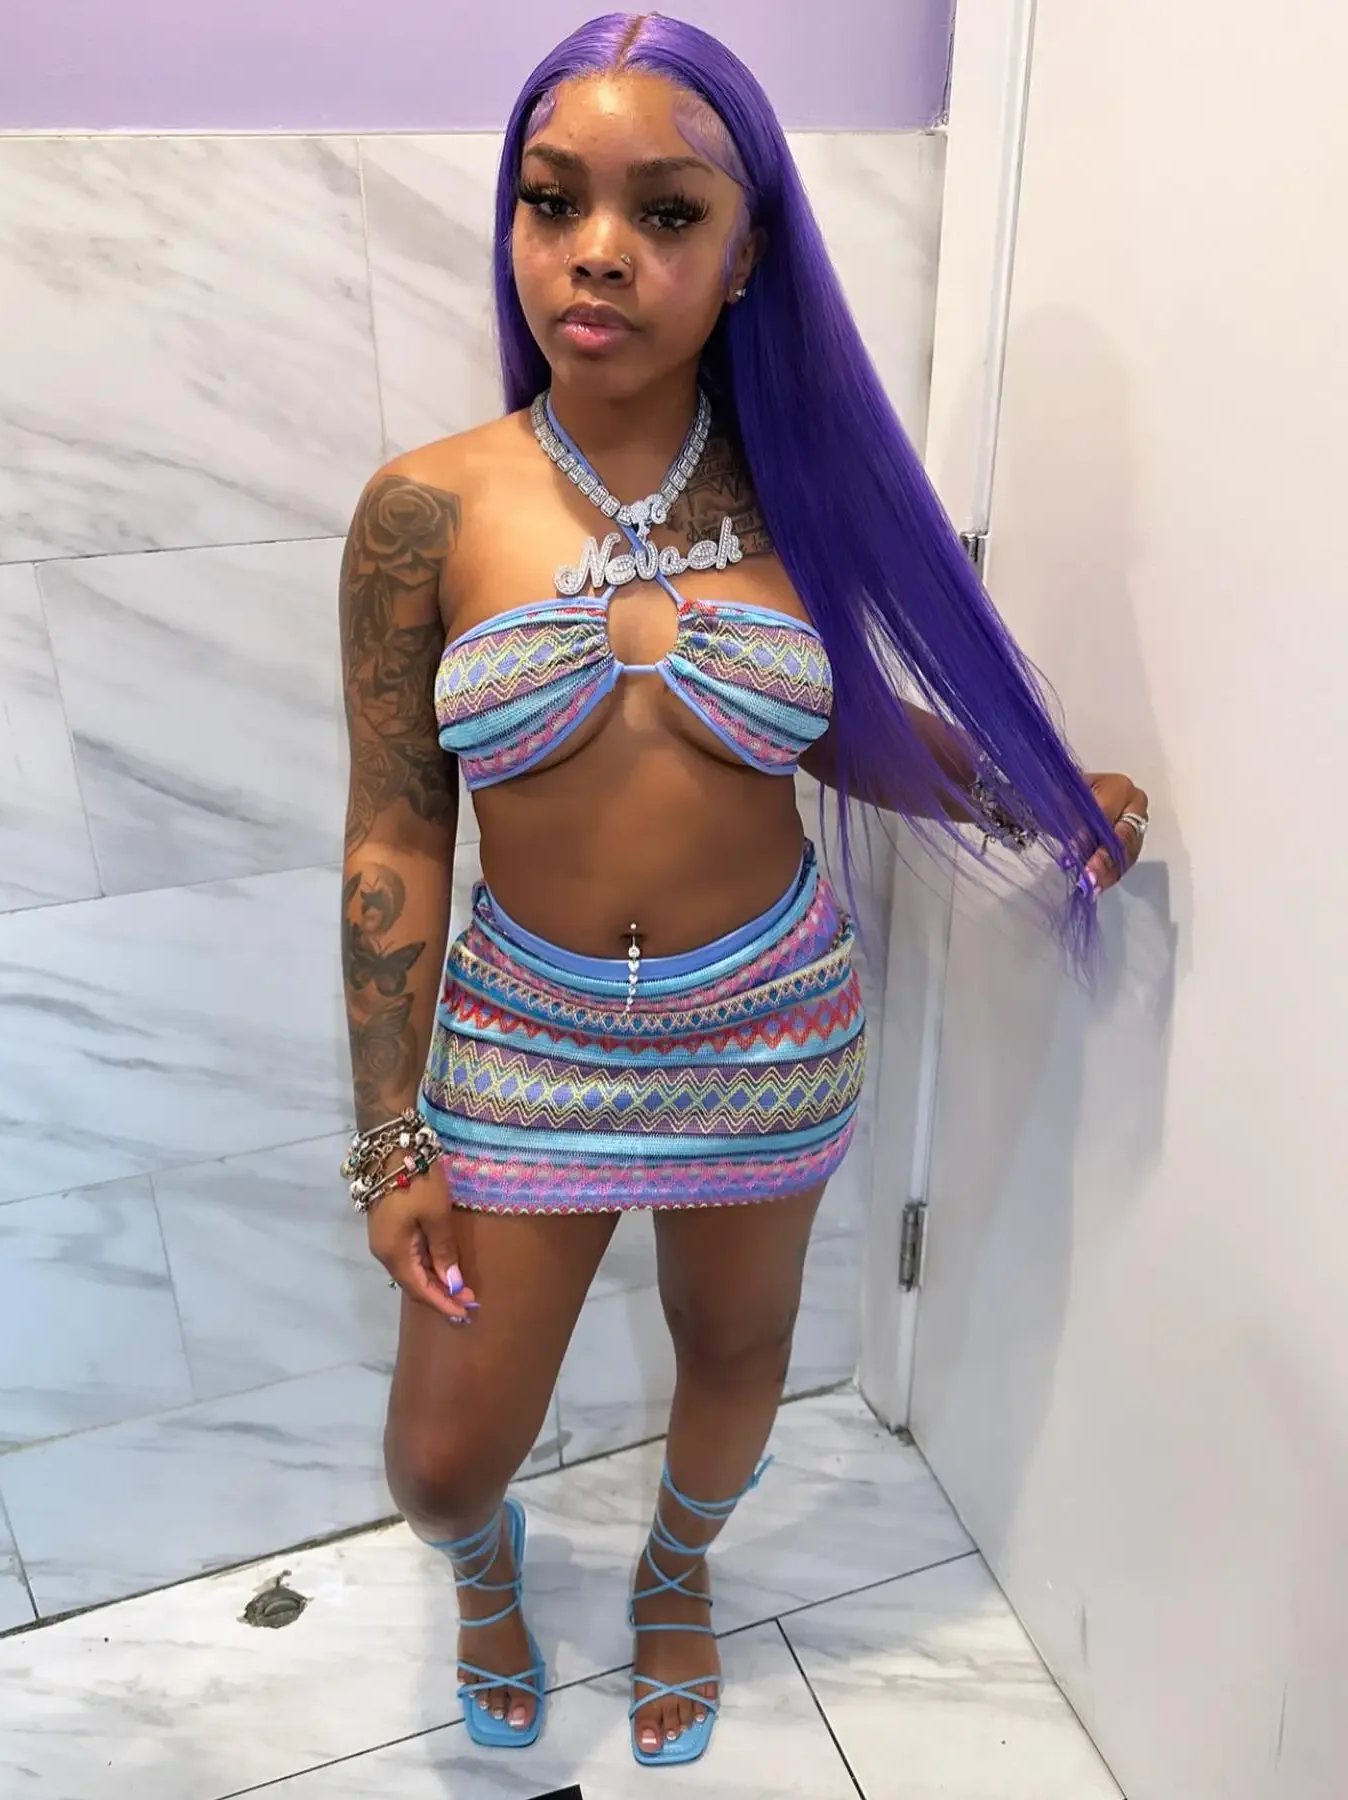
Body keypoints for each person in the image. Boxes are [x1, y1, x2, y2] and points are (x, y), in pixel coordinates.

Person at [337, 10, 1148, 1769]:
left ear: (747, 247)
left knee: (735, 1344)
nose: (597, 251)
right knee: (441, 1461)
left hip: (769, 1028)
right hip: (524, 1042)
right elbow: (397, 832)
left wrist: (1030, 795)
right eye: (553, 200)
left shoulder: (803, 490)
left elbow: (845, 734)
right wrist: (393, 1134)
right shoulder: (425, 513)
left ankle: (678, 1575)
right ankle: (486, 1566)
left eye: (665, 211)